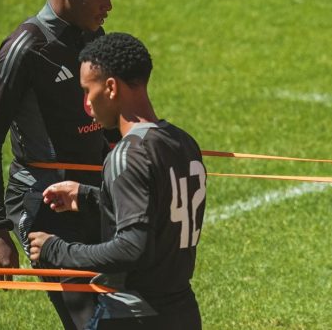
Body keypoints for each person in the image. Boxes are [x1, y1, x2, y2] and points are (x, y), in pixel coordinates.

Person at [0, 0, 118, 329]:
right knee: (90, 320)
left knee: (122, 314)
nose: (108, 5)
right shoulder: (25, 48)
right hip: (43, 204)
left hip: (94, 196)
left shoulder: (94, 36)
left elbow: (104, 121)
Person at [28, 33, 206, 330]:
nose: (86, 104)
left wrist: (57, 250)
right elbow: (160, 211)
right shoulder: (182, 142)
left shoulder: (127, 155)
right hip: (182, 312)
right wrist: (86, 196)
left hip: (134, 315)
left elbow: (131, 247)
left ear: (110, 87)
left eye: (88, 91)